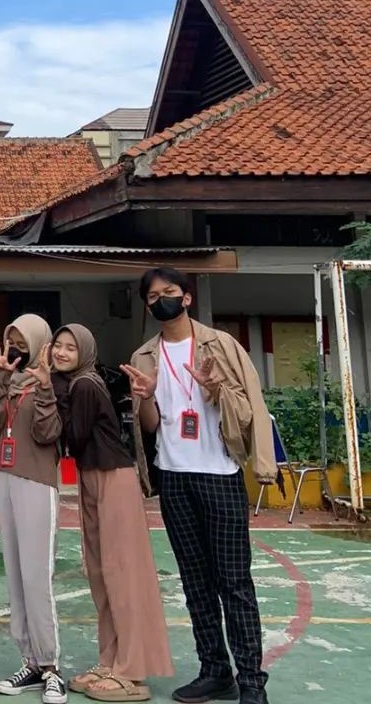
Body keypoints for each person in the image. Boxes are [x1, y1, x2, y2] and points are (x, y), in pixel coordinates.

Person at [121, 268, 273, 704]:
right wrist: (145, 397)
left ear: (186, 297)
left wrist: (215, 389)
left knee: (234, 583)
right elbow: (151, 426)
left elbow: (251, 406)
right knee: (195, 582)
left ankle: (251, 681)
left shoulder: (221, 345)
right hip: (173, 477)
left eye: (169, 292)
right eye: (153, 296)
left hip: (220, 474)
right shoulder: (144, 356)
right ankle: (215, 671)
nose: (161, 300)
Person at [51, 324, 173, 702]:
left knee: (122, 575)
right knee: (101, 573)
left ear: (85, 353)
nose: (61, 352)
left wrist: (51, 389)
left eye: (71, 348)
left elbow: (74, 436)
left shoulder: (84, 386)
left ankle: (131, 671)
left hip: (112, 478)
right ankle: (111, 659)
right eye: (58, 345)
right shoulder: (75, 384)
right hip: (93, 476)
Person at [0, 315, 67, 704]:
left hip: (36, 481)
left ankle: (51, 667)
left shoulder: (53, 382)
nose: (16, 346)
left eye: (22, 340)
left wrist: (45, 388)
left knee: (36, 577)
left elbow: (48, 434)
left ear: (38, 343)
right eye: (10, 339)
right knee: (15, 576)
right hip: (3, 477)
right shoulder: (8, 381)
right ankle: (29, 661)